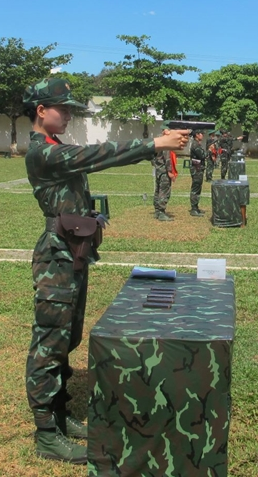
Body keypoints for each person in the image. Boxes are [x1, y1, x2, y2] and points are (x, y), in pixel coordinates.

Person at [22, 78, 189, 464]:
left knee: (66, 338)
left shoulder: (54, 147)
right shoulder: (41, 153)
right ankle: (47, 432)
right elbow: (97, 155)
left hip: (72, 253)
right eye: (61, 108)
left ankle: (60, 415)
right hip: (56, 258)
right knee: (50, 341)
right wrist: (153, 144)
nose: (67, 115)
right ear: (40, 111)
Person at [152, 128, 178, 221]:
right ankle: (161, 212)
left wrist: (156, 165)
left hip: (158, 169)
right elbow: (167, 158)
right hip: (164, 170)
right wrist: (170, 171)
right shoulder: (165, 142)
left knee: (158, 190)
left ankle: (157, 211)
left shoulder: (156, 141)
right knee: (164, 191)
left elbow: (152, 156)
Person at [189, 130, 207, 216]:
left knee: (198, 188)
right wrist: (209, 151)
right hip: (196, 168)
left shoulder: (197, 143)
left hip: (198, 167)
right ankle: (193, 209)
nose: (203, 135)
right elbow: (203, 155)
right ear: (197, 135)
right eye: (201, 134)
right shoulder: (195, 144)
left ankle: (196, 207)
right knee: (195, 188)